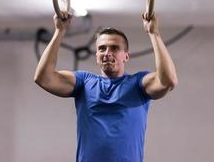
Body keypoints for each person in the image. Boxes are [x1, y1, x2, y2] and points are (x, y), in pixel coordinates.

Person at [34, 11, 178, 162]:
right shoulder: (84, 82)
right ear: (96, 56)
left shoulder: (138, 84)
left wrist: (154, 33)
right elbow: (43, 78)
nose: (107, 53)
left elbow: (169, 80)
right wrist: (59, 31)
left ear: (126, 56)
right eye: (102, 48)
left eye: (114, 48)